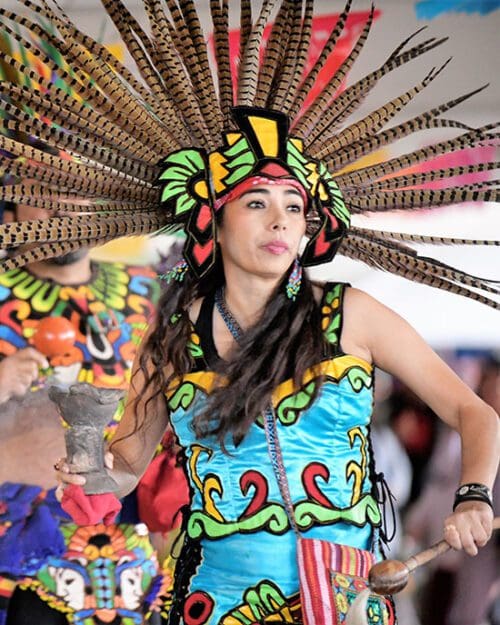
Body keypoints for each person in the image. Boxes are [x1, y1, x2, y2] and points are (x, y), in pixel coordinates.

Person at [0, 2, 498, 624]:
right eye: (257, 202)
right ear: (212, 218)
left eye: (294, 207)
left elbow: (472, 412)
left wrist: (473, 494)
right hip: (218, 605)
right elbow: (127, 462)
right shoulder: (174, 340)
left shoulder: (352, 315)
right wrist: (87, 467)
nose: (281, 222)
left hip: (343, 601)